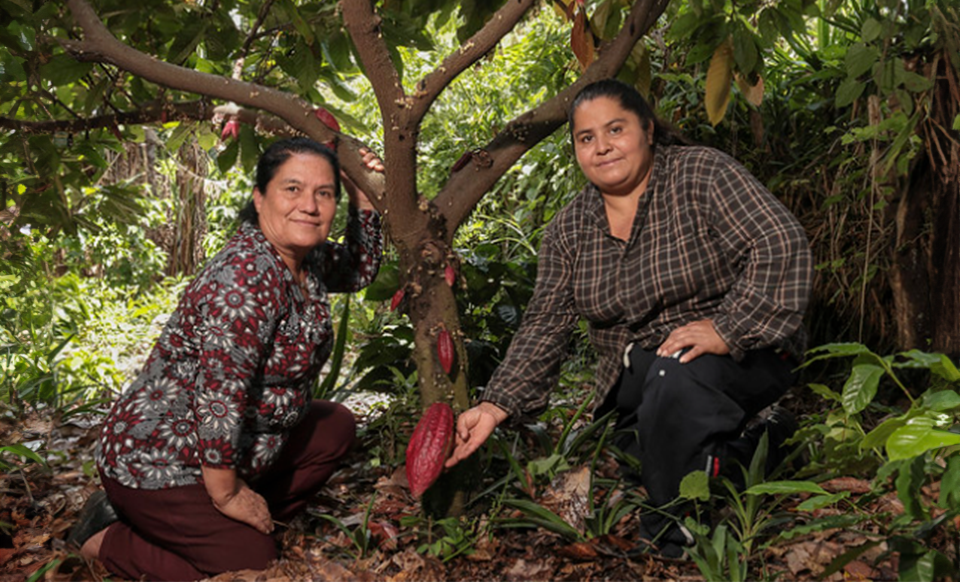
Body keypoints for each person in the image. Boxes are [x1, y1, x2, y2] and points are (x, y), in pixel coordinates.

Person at [445, 79, 812, 558]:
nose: (603, 147)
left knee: (672, 382)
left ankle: (672, 533)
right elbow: (544, 325)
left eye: (615, 129)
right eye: (586, 138)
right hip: (640, 376)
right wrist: (494, 406)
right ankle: (770, 444)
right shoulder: (569, 229)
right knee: (641, 452)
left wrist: (728, 327)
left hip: (744, 348)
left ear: (648, 130)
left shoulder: (699, 174)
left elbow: (780, 242)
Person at [66, 137, 384, 580]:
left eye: (324, 193)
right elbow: (221, 397)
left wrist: (363, 194)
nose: (310, 206)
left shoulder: (302, 257)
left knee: (334, 426)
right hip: (164, 457)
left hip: (239, 446)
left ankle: (216, 525)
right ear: (259, 198)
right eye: (292, 189)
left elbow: (359, 269)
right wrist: (229, 495)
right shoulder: (246, 277)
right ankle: (105, 536)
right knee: (251, 566)